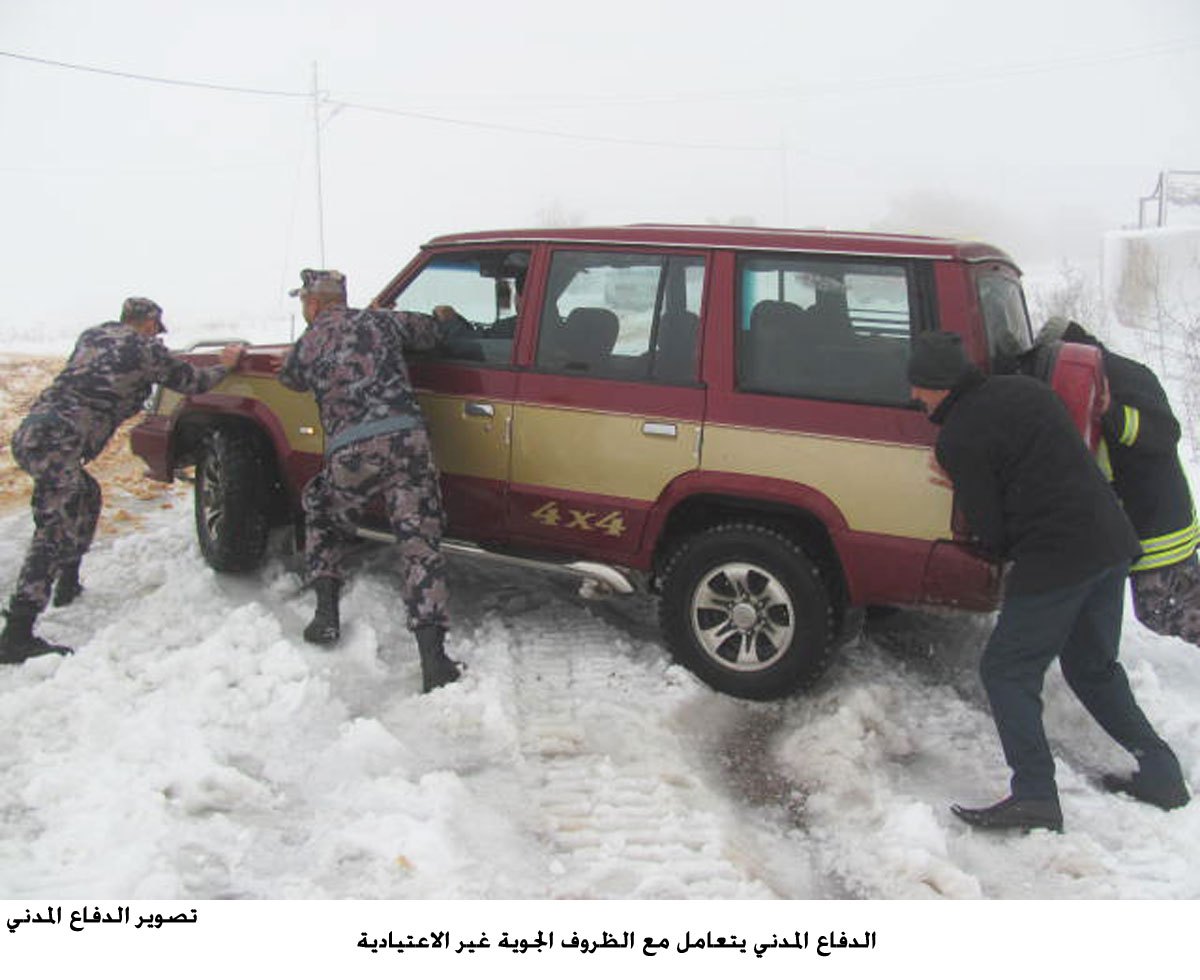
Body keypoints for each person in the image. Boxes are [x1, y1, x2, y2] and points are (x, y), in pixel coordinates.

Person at [908, 330, 1189, 831]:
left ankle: (1035, 795)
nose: (914, 395)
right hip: (1110, 542)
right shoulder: (1027, 390)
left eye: (918, 386)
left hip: (1057, 557)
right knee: (1093, 668)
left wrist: (957, 483)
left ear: (939, 385)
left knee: (1006, 670)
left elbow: (993, 535)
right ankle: (1162, 773)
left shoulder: (958, 438)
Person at [1, 298, 245, 664]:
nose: (157, 335)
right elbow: (191, 382)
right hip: (59, 441)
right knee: (54, 530)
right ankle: (17, 633)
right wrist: (226, 364)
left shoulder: (93, 336)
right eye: (156, 328)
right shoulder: (144, 349)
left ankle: (68, 581)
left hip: (34, 432)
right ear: (148, 323)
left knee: (87, 495)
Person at [278, 268, 461, 693]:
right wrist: (444, 317)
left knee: (321, 510)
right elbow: (432, 332)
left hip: (352, 451)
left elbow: (289, 378)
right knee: (419, 543)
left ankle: (326, 615)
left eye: (303, 300)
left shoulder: (308, 342)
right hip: (406, 441)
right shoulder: (382, 321)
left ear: (313, 303)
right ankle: (434, 661)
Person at [1037, 317, 1200, 646]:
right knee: (1169, 610)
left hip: (1159, 527)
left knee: (1168, 611)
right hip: (1150, 520)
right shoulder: (1101, 376)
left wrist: (1112, 412)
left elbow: (1164, 432)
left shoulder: (1121, 376)